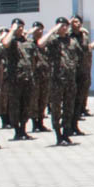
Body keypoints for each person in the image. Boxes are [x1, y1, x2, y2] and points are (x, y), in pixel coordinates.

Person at [37, 17, 77, 147]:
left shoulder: (72, 41)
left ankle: (66, 133)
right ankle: (58, 135)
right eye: (61, 25)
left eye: (65, 25)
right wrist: (52, 30)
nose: (63, 28)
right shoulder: (53, 40)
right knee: (56, 109)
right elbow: (40, 43)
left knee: (69, 108)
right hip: (56, 80)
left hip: (70, 80)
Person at [1, 19, 36, 141]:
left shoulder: (28, 42)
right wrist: (12, 30)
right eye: (17, 27)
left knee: (26, 105)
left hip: (27, 78)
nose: (19, 29)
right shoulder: (11, 41)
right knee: (15, 106)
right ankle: (17, 130)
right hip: (15, 79)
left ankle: (23, 130)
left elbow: (33, 59)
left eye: (21, 26)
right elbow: (5, 43)